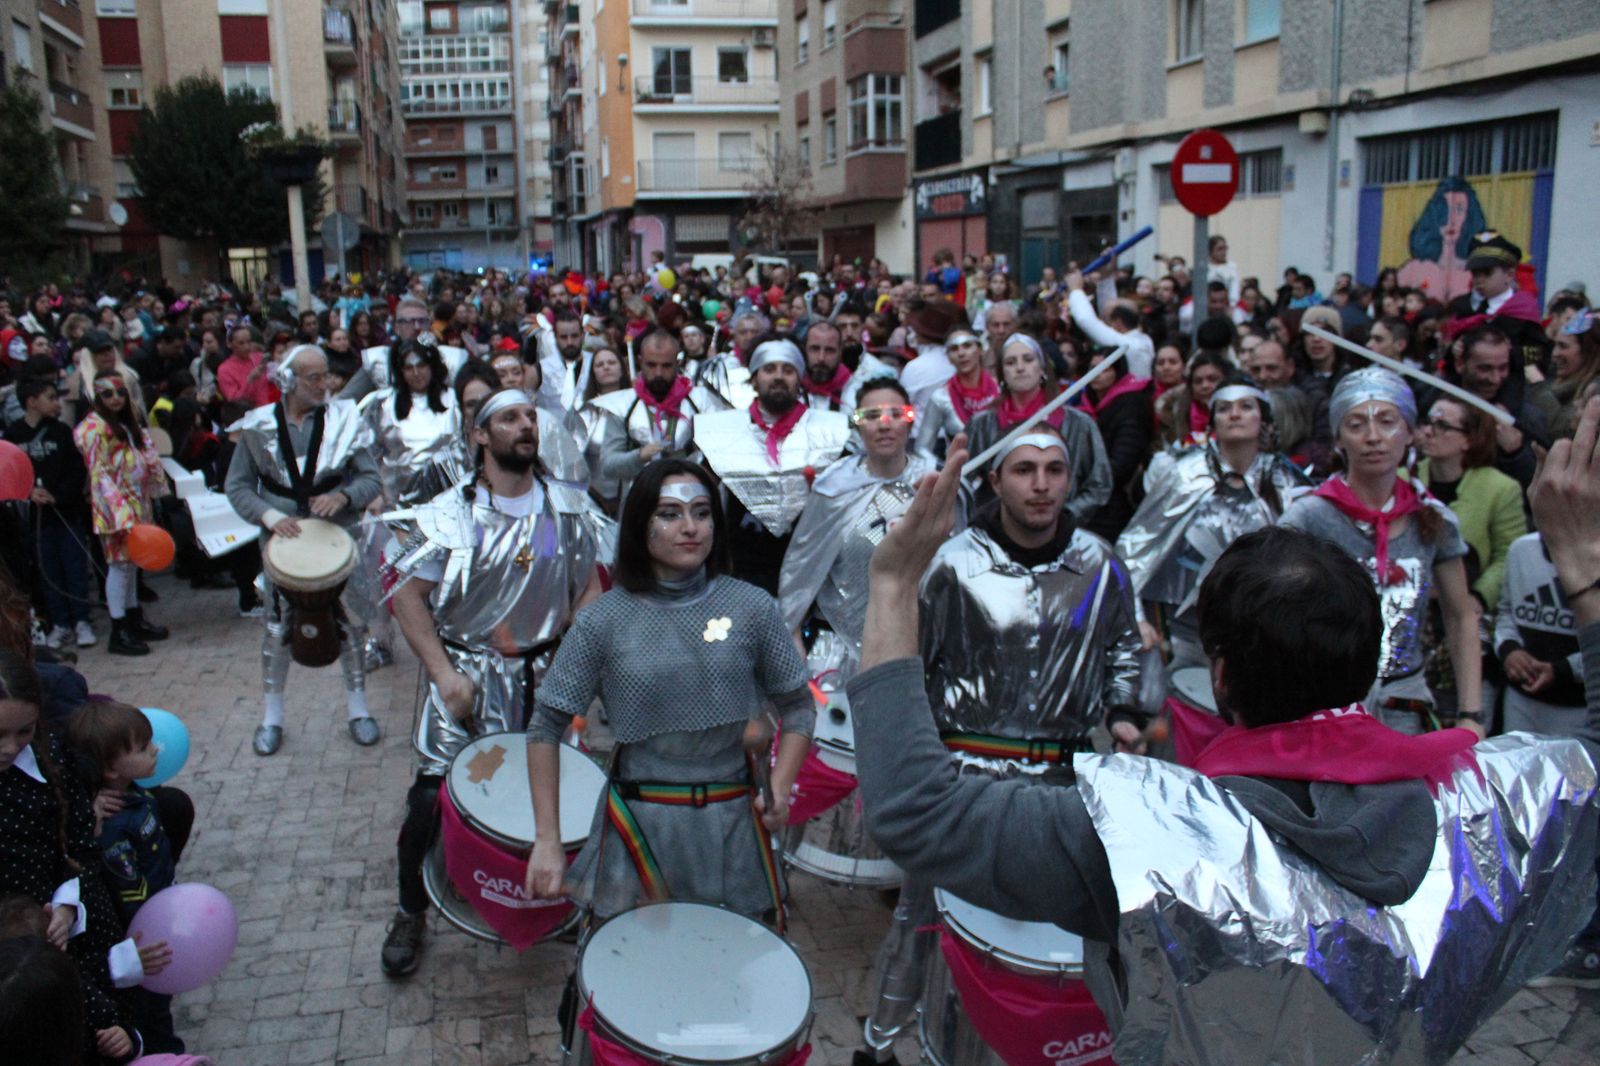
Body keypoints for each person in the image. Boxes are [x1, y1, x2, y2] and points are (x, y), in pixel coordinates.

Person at [843, 420, 1600, 1064]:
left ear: (1223, 677)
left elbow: (914, 811)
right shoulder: (1485, 802)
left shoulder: (1147, 836)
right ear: (1367, 659)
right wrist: (1585, 574)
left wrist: (891, 585)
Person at [856, 426, 1143, 1063]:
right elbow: (909, 658)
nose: (1040, 484)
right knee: (920, 921)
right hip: (965, 778)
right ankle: (882, 1040)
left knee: (1043, 933)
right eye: (1024, 470)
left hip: (1063, 779)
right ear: (996, 481)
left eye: (1054, 470)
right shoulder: (951, 562)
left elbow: (1124, 648)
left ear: (1070, 480)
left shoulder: (1100, 562)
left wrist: (1125, 713)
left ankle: (1017, 1042)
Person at [522, 461, 814, 925]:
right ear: (640, 525)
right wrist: (548, 838)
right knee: (632, 977)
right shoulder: (603, 620)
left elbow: (798, 707)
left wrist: (779, 787)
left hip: (734, 823)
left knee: (732, 976)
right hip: (639, 824)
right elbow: (544, 728)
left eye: (702, 513)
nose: (690, 528)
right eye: (670, 514)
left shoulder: (753, 607)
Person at [380, 387, 602, 977]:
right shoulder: (452, 513)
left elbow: (579, 585)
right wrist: (443, 675)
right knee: (430, 799)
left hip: (543, 676)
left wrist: (574, 656)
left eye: (530, 416)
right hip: (467, 679)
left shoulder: (561, 510)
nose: (525, 425)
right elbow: (406, 595)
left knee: (553, 798)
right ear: (480, 435)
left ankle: (544, 900)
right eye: (509, 418)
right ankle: (410, 911)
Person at [1280, 368, 1484, 737]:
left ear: (1409, 432)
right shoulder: (1307, 516)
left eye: (1387, 422)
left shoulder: (1434, 519)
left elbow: (1460, 616)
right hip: (1324, 708)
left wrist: (1472, 713)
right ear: (1339, 438)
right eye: (1356, 425)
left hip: (1406, 706)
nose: (1373, 437)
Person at [224, 345, 383, 756]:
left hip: (337, 541)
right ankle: (272, 718)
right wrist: (266, 516)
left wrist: (345, 497)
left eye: (326, 375)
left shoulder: (345, 420)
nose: (324, 384)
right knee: (277, 631)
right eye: (314, 377)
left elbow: (372, 480)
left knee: (351, 626)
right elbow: (237, 485)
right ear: (288, 381)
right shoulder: (258, 428)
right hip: (282, 546)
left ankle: (359, 709)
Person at [0, 650, 147, 1062]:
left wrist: (66, 907)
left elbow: (80, 842)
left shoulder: (53, 759)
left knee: (107, 1022)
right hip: (17, 948)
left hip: (79, 919)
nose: (10, 748)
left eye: (24, 732)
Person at [1119, 376, 1311, 666]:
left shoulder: (1285, 482)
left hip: (1263, 630)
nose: (1234, 414)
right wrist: (1134, 617)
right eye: (1223, 408)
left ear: (1263, 419)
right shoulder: (1185, 476)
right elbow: (1136, 545)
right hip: (1183, 627)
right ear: (1212, 423)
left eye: (1245, 406)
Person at [780, 378, 937, 683]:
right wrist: (792, 632)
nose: (884, 424)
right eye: (871, 416)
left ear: (910, 420)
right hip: (837, 649)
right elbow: (800, 568)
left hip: (916, 644)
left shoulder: (933, 484)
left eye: (896, 413)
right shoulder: (835, 488)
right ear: (857, 425)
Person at [64, 702, 189, 1054]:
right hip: (144, 934)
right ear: (108, 769)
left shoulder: (135, 794)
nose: (157, 749)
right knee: (151, 1010)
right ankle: (166, 1056)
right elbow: (129, 891)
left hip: (160, 912)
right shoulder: (112, 829)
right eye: (143, 747)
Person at [692, 338, 851, 595]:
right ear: (754, 379)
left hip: (809, 562)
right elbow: (700, 490)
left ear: (799, 380)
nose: (778, 377)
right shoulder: (724, 431)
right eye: (769, 369)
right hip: (741, 563)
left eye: (788, 371)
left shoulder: (829, 432)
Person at [963, 334, 1112, 520]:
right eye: (1010, 362)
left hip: (1061, 533)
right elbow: (962, 481)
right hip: (997, 532)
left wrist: (1067, 516)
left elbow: (1099, 484)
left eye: (1028, 359)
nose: (1020, 368)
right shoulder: (982, 424)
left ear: (1041, 368)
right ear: (1002, 373)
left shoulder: (1078, 423)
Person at [73, 372, 170, 657]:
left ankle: (132, 617)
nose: (115, 398)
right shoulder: (92, 428)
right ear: (97, 397)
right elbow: (98, 471)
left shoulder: (127, 422)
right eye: (108, 394)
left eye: (120, 393)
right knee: (119, 565)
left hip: (137, 501)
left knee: (133, 563)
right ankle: (119, 628)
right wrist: (119, 511)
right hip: (115, 506)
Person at [4, 379, 94, 650]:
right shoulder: (13, 435)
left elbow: (77, 470)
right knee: (47, 569)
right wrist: (28, 491)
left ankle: (82, 620)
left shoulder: (62, 432)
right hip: (34, 518)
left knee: (74, 566)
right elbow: (8, 472)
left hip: (65, 511)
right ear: (31, 401)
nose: (56, 403)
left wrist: (59, 494)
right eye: (50, 397)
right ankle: (59, 623)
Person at [1415, 396, 1525, 612]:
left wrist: (1478, 599)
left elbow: (1508, 556)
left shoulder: (1501, 489)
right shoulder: (1402, 478)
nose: (1428, 431)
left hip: (1467, 606)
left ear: (1469, 440)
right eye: (1429, 422)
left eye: (1442, 426)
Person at [590, 330, 718, 509]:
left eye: (666, 366)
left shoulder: (701, 401)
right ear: (640, 362)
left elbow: (723, 455)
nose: (658, 373)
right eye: (651, 365)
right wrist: (640, 455)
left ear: (678, 363)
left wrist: (700, 473)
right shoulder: (623, 405)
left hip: (691, 500)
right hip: (640, 503)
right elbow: (608, 465)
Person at [1074, 345, 1154, 540]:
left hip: (1114, 504)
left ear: (1118, 372)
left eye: (1105, 369)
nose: (1097, 374)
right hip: (1093, 498)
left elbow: (1122, 463)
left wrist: (1086, 482)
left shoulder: (1130, 406)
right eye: (1093, 368)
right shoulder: (1087, 404)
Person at [1443, 231, 1552, 373]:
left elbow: (1540, 353)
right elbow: (1449, 349)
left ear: (1509, 274)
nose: (1479, 279)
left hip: (1509, 383)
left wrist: (1505, 354)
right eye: (1475, 273)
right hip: (1466, 382)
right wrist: (1454, 349)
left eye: (1487, 273)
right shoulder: (1463, 306)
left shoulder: (1522, 309)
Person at [914, 328, 996, 458]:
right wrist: (945, 470)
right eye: (954, 349)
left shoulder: (999, 390)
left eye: (967, 346)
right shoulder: (940, 398)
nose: (961, 353)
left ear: (979, 350)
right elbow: (922, 449)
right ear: (948, 357)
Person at [1063, 269, 1155, 378]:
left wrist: (1076, 290)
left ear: (1118, 323)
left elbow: (1086, 320)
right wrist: (1106, 273)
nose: (1103, 324)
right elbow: (1107, 305)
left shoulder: (1127, 345)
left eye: (1106, 321)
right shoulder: (1143, 340)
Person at [1546, 309, 1600, 440]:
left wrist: (1538, 387)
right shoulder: (1553, 380)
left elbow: (1557, 436)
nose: (1555, 353)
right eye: (1555, 345)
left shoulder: (1594, 393)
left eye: (1563, 346)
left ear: (1588, 352)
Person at [799, 320, 853, 414]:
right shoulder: (791, 390)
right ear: (804, 350)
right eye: (815, 349)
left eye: (830, 350)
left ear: (840, 353)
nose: (821, 358)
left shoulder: (854, 391)